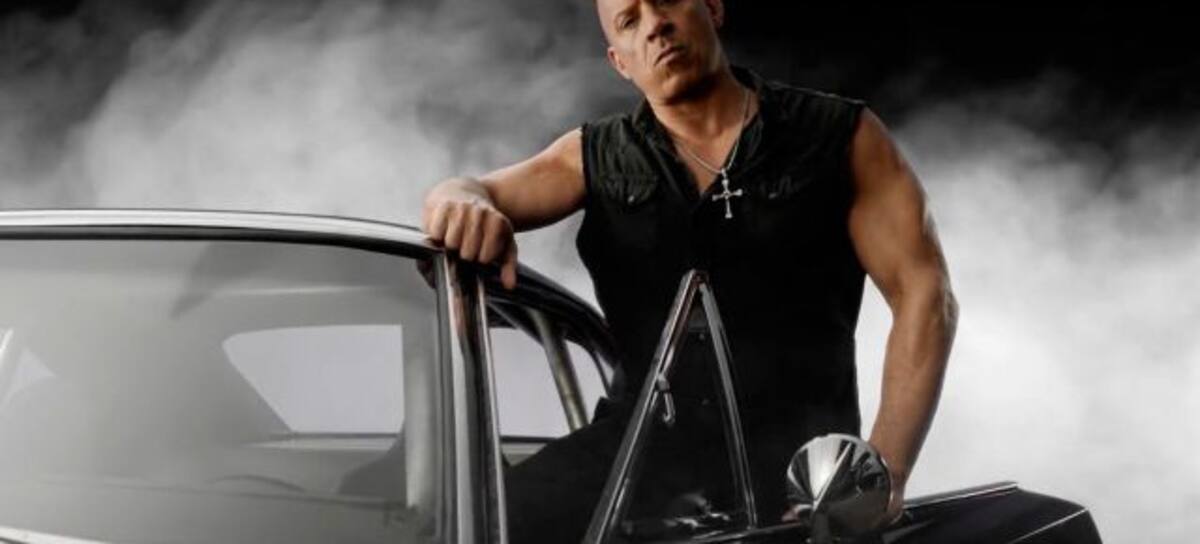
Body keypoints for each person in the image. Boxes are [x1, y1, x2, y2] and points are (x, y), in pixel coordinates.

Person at [421, 0, 958, 541]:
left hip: (797, 481)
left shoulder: (838, 135)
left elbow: (924, 293)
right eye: (629, 20)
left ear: (713, 8)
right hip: (634, 465)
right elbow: (472, 191)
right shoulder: (592, 156)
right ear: (619, 61)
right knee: (485, 526)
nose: (655, 25)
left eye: (666, 1)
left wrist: (885, 471)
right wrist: (462, 201)